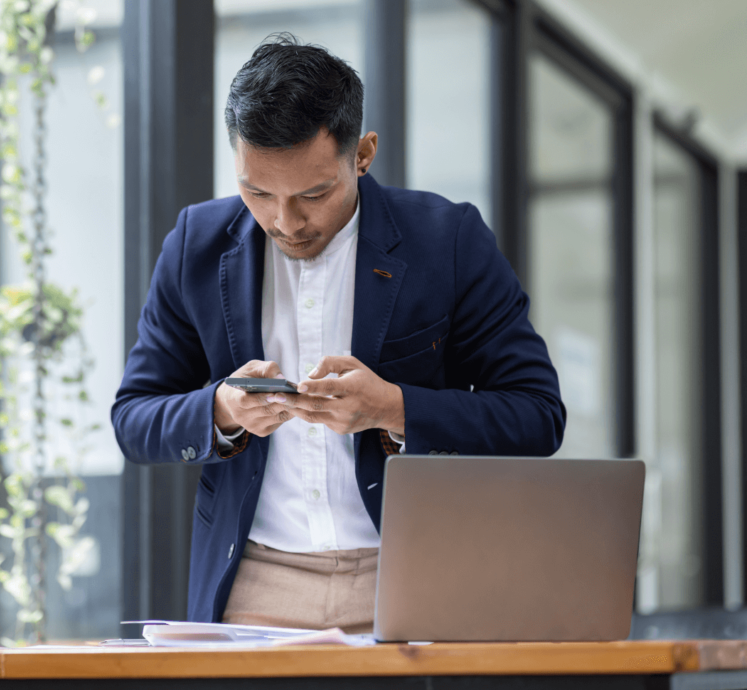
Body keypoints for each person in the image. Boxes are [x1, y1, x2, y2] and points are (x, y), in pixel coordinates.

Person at [111, 34, 565, 632]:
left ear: (364, 154)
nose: (284, 220)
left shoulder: (448, 240)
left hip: (417, 574)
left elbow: (536, 416)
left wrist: (394, 408)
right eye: (256, 192)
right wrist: (221, 411)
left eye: (314, 193)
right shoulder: (196, 243)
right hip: (251, 581)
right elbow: (134, 420)